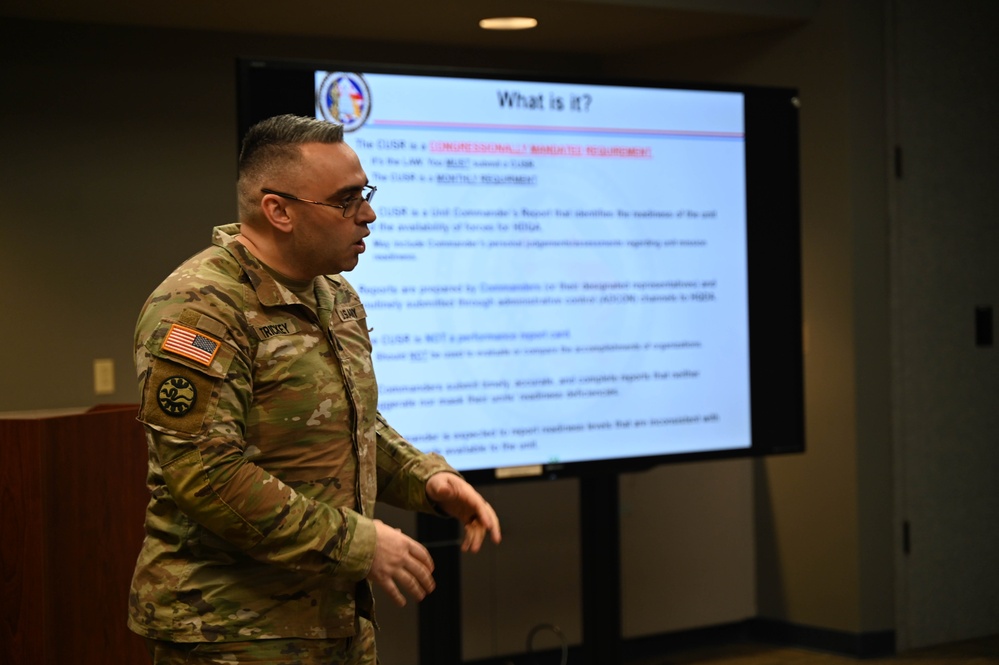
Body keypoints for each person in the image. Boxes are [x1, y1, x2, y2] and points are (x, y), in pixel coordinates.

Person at [128, 114, 501, 664]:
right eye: (346, 200)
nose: (368, 215)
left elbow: (350, 421)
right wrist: (357, 543)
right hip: (232, 630)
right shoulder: (201, 307)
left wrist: (427, 477)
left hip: (334, 617)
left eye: (365, 194)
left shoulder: (336, 296)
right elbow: (206, 474)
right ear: (278, 210)